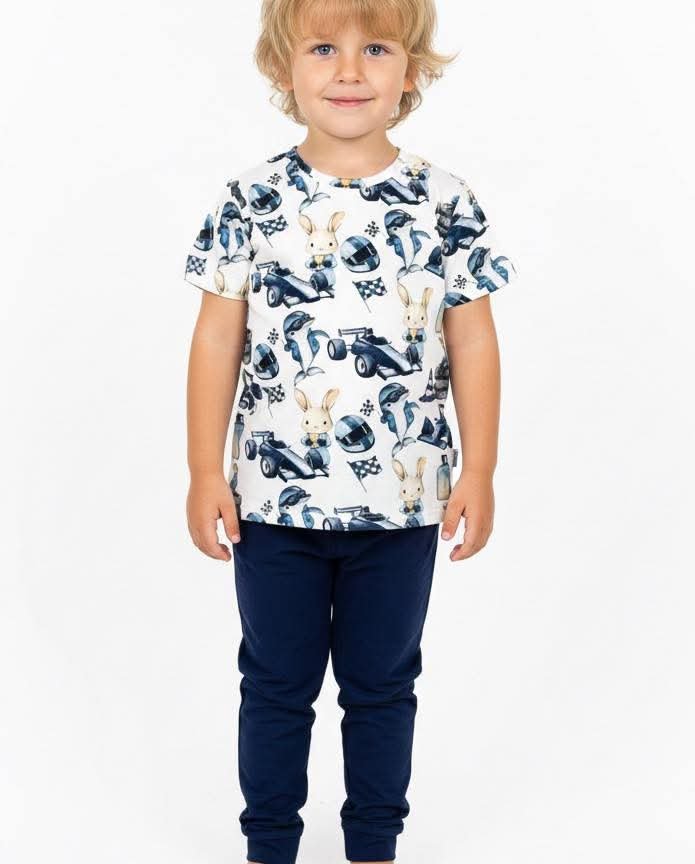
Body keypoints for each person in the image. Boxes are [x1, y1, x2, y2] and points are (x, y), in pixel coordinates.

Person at [183, 2, 519, 862]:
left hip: (402, 506)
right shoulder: (249, 200)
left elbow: (472, 341)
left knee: (382, 689)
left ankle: (373, 847)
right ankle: (269, 848)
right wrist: (203, 471)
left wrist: (478, 469)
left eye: (374, 48)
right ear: (282, 67)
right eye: (322, 48)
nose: (348, 70)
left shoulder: (445, 201)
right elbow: (217, 339)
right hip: (271, 507)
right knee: (274, 685)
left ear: (410, 71)